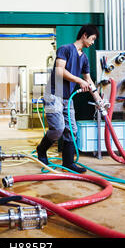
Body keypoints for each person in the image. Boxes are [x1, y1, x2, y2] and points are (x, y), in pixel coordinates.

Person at [36, 25, 106, 173]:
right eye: (92, 39)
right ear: (85, 35)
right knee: (58, 129)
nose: (93, 43)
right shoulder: (65, 49)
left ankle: (68, 163)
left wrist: (98, 99)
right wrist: (79, 81)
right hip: (54, 94)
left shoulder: (84, 58)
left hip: (68, 98)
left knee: (72, 130)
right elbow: (60, 71)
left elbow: (89, 80)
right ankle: (41, 150)